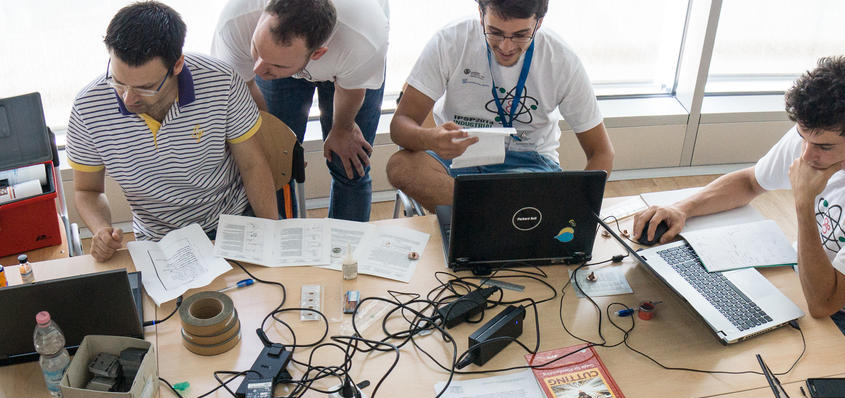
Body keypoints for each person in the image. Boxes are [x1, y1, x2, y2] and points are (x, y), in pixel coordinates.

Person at [633, 56, 845, 367]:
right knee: (694, 319)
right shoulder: (816, 135)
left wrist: (804, 203)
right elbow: (750, 182)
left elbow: (823, 303)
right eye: (803, 137)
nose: (807, 155)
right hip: (803, 280)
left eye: (824, 147)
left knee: (739, 365)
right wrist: (682, 208)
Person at [67, 1, 277, 262]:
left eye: (145, 87)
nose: (128, 99)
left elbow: (253, 165)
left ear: (177, 65)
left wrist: (270, 233)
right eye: (118, 82)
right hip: (159, 239)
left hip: (232, 220)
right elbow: (87, 191)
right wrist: (100, 229)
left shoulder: (221, 81)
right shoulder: (88, 107)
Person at [386, 0, 614, 212]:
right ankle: (507, 217)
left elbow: (602, 152)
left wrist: (577, 211)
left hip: (530, 163)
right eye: (494, 32)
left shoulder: (561, 59)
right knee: (400, 166)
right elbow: (400, 125)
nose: (506, 46)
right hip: (459, 157)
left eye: (520, 35)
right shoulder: (450, 41)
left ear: (539, 23)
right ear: (480, 14)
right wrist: (431, 138)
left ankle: (485, 218)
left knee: (537, 204)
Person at [212, 0, 390, 221]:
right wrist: (271, 139)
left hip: (349, 57)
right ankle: (281, 240)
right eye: (256, 49)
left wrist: (343, 129)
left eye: (276, 65)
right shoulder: (237, 20)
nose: (258, 68)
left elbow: (352, 91)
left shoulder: (364, 37)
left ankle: (345, 243)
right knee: (274, 164)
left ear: (317, 54)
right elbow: (244, 88)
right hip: (291, 57)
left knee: (349, 164)